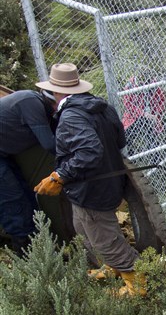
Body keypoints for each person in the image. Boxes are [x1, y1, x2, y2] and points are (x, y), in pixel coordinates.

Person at [34, 63, 146, 297]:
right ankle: (112, 267)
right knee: (83, 228)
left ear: (56, 92)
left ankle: (138, 282)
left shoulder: (71, 116)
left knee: (105, 239)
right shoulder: (101, 107)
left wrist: (60, 176)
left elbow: (89, 152)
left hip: (91, 189)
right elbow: (119, 140)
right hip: (105, 184)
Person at [0, 87, 58, 256]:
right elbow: (49, 144)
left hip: (4, 153)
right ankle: (27, 257)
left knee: (27, 197)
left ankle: (43, 251)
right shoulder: (30, 102)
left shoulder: (39, 105)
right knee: (13, 202)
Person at [121, 73, 165, 162]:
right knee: (125, 136)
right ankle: (130, 156)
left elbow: (161, 100)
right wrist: (142, 113)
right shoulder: (130, 86)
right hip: (133, 117)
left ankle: (156, 160)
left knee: (151, 137)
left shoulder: (154, 84)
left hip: (151, 116)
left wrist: (156, 113)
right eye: (140, 83)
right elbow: (128, 104)